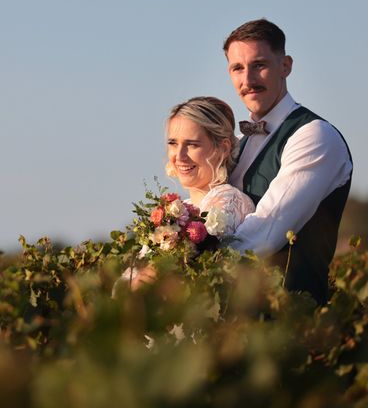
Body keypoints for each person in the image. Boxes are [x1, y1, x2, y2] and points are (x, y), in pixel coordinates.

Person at [224, 19, 353, 304]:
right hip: (234, 327)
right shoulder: (238, 144)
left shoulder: (315, 136)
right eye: (237, 68)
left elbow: (264, 234)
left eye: (259, 65)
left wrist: (188, 266)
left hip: (291, 321)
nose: (248, 80)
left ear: (286, 66)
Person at [125, 96, 255, 290]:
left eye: (192, 144)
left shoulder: (229, 200)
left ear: (223, 148)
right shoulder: (180, 210)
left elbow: (187, 272)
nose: (179, 155)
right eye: (173, 143)